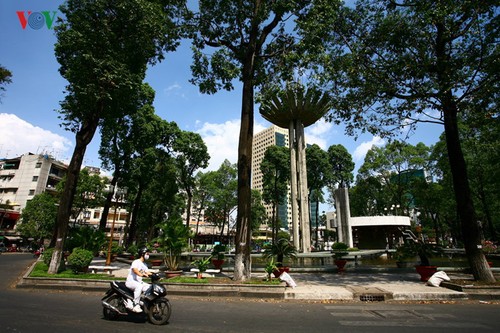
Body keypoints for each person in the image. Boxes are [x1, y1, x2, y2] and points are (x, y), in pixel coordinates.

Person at [125, 246, 152, 313]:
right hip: (131, 282)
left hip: (139, 282)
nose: (148, 255)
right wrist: (141, 274)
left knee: (149, 287)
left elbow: (147, 272)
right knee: (139, 287)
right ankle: (135, 304)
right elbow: (135, 270)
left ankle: (143, 302)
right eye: (147, 253)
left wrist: (155, 275)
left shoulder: (144, 264)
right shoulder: (136, 262)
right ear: (142, 254)